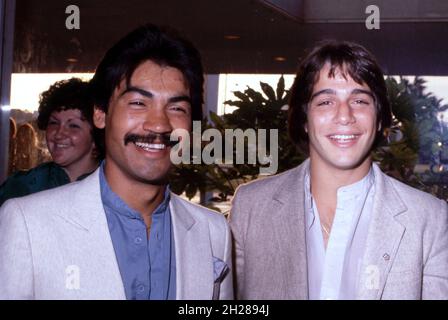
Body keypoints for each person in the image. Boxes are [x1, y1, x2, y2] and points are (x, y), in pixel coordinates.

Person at [0, 23, 232, 300]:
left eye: (177, 107)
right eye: (138, 103)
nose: (159, 125)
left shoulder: (212, 230)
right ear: (100, 113)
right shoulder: (28, 223)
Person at [229, 40, 448, 300]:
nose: (344, 115)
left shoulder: (428, 219)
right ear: (304, 120)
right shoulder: (251, 207)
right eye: (325, 102)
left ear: (379, 119)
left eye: (360, 100)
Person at [0, 78, 103, 206]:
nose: (59, 133)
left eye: (73, 126)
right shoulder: (20, 188)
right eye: (54, 123)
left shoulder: (113, 190)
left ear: (97, 135)